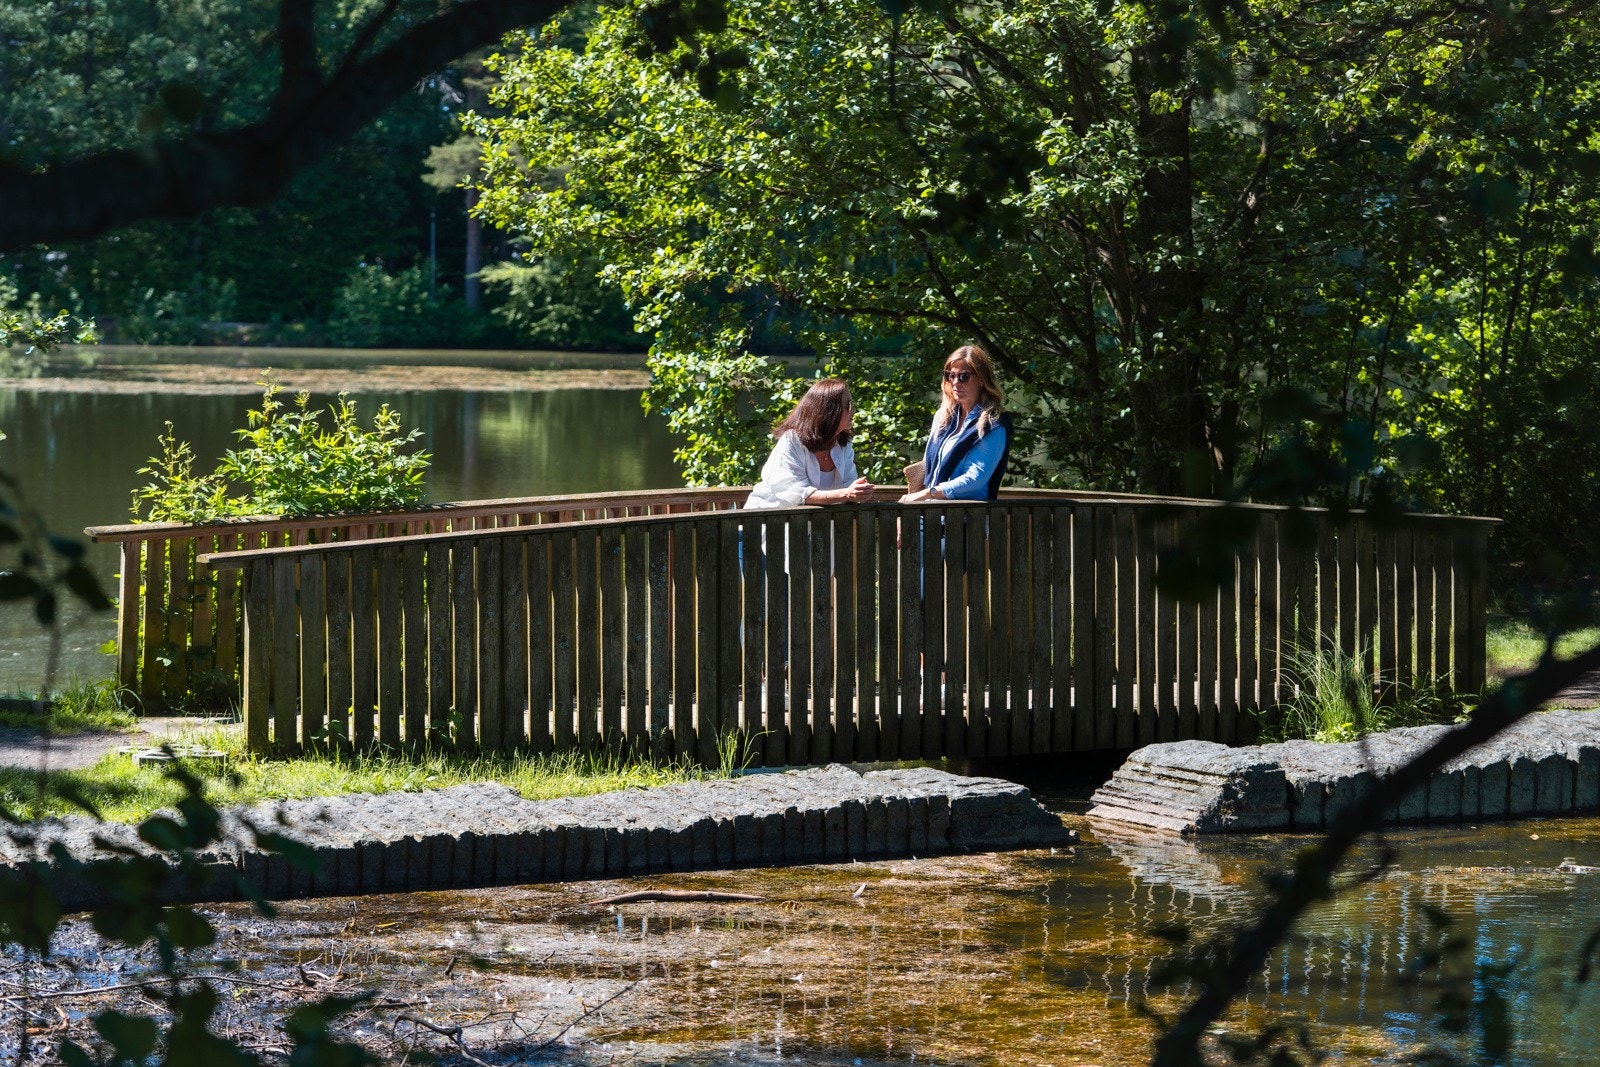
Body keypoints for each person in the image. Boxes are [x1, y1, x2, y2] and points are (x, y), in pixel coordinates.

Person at [901, 344, 1011, 502]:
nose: (955, 382)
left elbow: (974, 480)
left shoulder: (993, 426)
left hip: (967, 519)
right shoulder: (943, 416)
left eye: (964, 376)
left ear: (981, 379)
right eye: (950, 375)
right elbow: (928, 466)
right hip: (929, 514)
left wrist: (927, 493)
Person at [744, 378, 875, 509]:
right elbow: (796, 495)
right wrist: (847, 494)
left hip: (808, 524)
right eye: (849, 405)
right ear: (829, 410)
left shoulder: (843, 444)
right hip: (764, 521)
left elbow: (849, 486)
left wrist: (859, 491)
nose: (854, 411)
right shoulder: (792, 441)